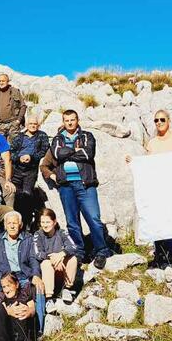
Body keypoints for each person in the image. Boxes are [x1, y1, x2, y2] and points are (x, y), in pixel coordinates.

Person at [40, 110, 113, 268]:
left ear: (77, 120)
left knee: (93, 218)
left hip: (85, 184)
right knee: (72, 222)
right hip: (66, 186)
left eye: (73, 120)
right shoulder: (57, 139)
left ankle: (101, 250)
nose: (70, 123)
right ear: (63, 121)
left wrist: (68, 153)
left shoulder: (87, 136)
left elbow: (88, 154)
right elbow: (57, 154)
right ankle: (79, 252)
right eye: (67, 120)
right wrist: (76, 152)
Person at [126, 110, 172, 267]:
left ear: (169, 120)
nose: (159, 122)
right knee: (158, 220)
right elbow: (148, 166)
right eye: (156, 120)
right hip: (158, 190)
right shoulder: (152, 143)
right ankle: (160, 255)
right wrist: (134, 162)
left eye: (162, 119)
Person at [0, 211, 45, 330]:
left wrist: (36, 275)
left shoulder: (28, 239)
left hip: (23, 276)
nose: (12, 226)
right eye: (9, 223)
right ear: (5, 225)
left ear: (20, 225)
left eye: (15, 223)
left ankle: (40, 330)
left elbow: (33, 258)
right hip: (3, 275)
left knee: (39, 288)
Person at [32, 207, 79, 305]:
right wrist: (53, 258)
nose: (45, 225)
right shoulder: (38, 235)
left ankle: (67, 288)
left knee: (72, 259)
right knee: (45, 263)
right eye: (43, 222)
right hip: (48, 273)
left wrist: (61, 255)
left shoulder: (62, 233)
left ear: (54, 222)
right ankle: (49, 299)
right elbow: (37, 253)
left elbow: (73, 246)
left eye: (48, 222)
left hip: (62, 270)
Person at [10, 115, 49, 229]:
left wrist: (31, 157)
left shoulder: (42, 136)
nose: (33, 126)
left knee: (27, 194)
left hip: (31, 170)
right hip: (17, 170)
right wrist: (19, 158)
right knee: (16, 195)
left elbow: (44, 151)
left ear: (38, 125)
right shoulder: (19, 137)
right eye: (30, 124)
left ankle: (27, 223)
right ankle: (17, 223)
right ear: (26, 125)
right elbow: (11, 152)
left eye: (35, 124)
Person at [0, 74, 26, 142]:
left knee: (14, 145)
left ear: (8, 81)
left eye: (3, 81)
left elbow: (23, 106)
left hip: (13, 123)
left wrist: (18, 120)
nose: (1, 83)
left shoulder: (15, 91)